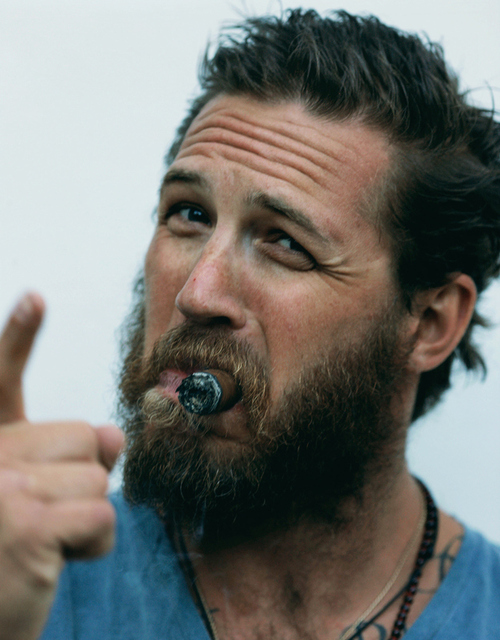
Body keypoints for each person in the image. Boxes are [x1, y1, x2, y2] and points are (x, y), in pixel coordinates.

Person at [0, 8, 499, 640]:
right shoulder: (32, 581)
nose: (197, 293)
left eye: (286, 243)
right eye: (188, 214)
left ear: (429, 323)